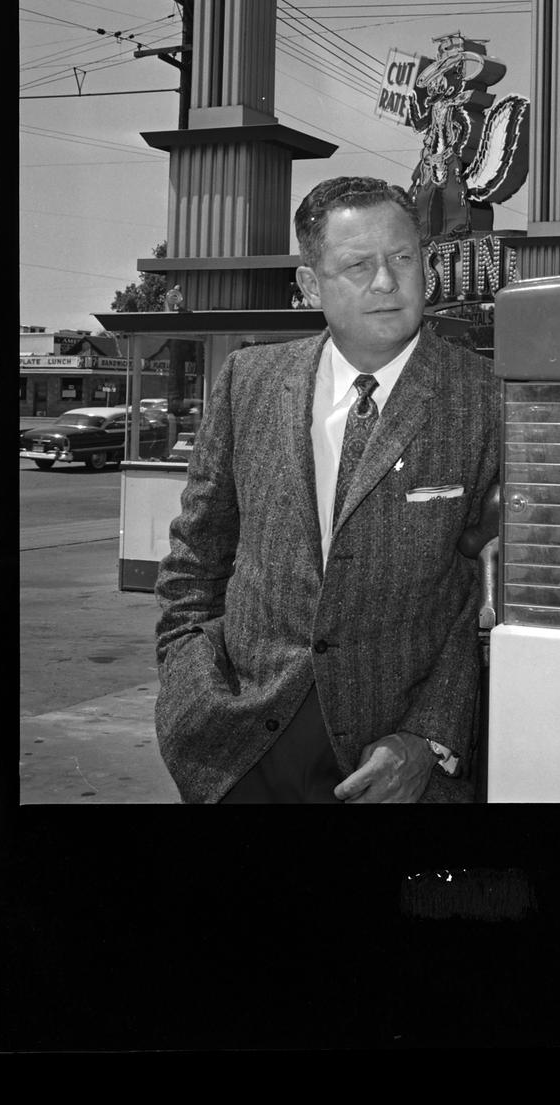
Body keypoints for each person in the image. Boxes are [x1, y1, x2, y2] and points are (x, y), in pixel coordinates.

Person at [153, 176, 501, 804]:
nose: (387, 282)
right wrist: (187, 680)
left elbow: (486, 596)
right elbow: (196, 556)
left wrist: (428, 738)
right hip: (240, 750)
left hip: (393, 762)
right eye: (358, 265)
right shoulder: (249, 382)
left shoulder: (486, 398)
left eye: (403, 258)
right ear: (311, 283)